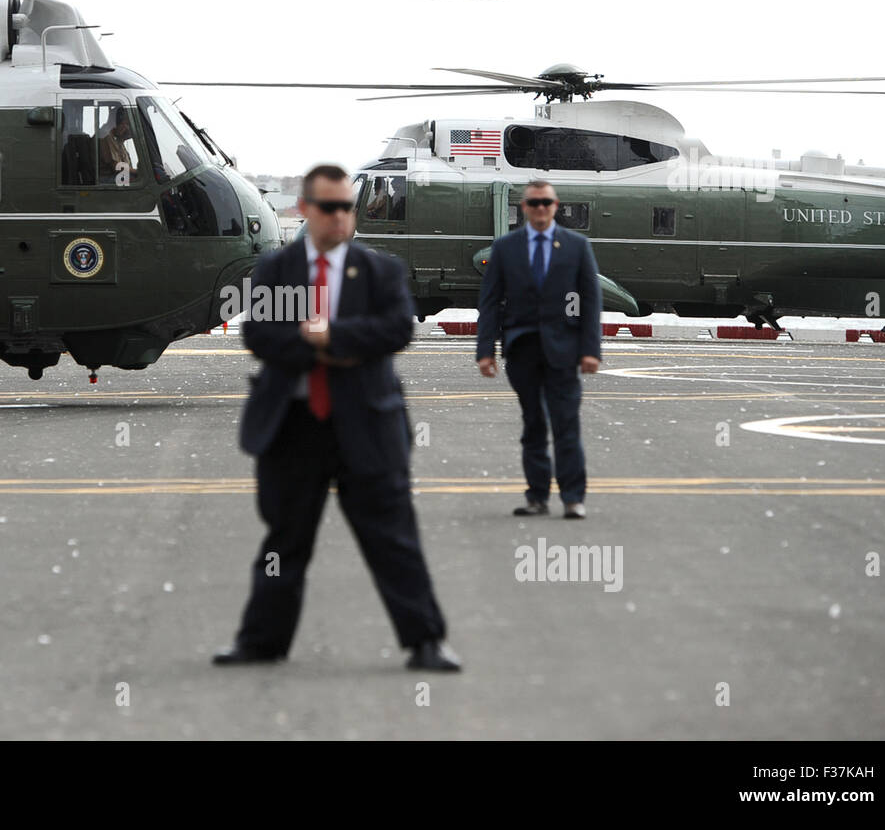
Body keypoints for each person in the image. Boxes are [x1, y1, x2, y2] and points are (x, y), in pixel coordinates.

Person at [214, 163, 459, 671]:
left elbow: (395, 330)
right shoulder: (276, 271)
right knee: (285, 540)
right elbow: (259, 336)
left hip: (366, 424)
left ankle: (426, 641)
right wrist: (311, 341)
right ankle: (261, 642)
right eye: (330, 207)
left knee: (392, 537)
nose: (341, 217)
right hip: (293, 427)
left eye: (348, 207)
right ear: (305, 210)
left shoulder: (379, 271)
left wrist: (334, 339)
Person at [475, 180, 602, 519]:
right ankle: (537, 497)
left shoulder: (577, 246)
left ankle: (573, 498)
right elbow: (489, 304)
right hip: (522, 349)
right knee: (533, 424)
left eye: (546, 202)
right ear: (525, 207)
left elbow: (591, 301)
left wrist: (592, 350)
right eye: (534, 203)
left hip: (565, 348)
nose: (541, 208)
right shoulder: (505, 248)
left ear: (555, 205)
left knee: (566, 424)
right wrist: (484, 350)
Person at [97, 106, 138, 183]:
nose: (126, 128)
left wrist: (123, 138)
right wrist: (135, 171)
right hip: (105, 178)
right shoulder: (105, 136)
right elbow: (116, 166)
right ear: (116, 122)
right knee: (136, 180)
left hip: (112, 175)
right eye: (125, 124)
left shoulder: (115, 137)